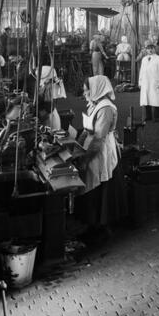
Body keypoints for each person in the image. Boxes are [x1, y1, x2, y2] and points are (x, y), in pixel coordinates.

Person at [75, 75, 121, 244]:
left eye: (88, 90)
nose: (86, 93)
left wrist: (86, 159)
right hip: (92, 148)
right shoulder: (95, 104)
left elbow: (99, 138)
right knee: (91, 186)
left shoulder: (106, 108)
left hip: (101, 151)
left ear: (97, 90)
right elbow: (88, 130)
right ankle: (92, 225)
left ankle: (101, 228)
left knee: (98, 185)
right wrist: (78, 144)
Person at [138, 42, 159, 122]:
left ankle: (156, 117)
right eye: (148, 49)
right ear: (146, 50)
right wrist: (140, 82)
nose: (150, 50)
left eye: (152, 48)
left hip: (155, 82)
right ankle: (148, 116)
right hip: (146, 82)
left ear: (154, 49)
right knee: (147, 99)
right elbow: (142, 71)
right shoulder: (144, 59)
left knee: (156, 100)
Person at [37, 64, 66, 130]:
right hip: (48, 115)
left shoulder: (48, 87)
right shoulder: (43, 86)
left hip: (50, 118)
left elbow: (48, 106)